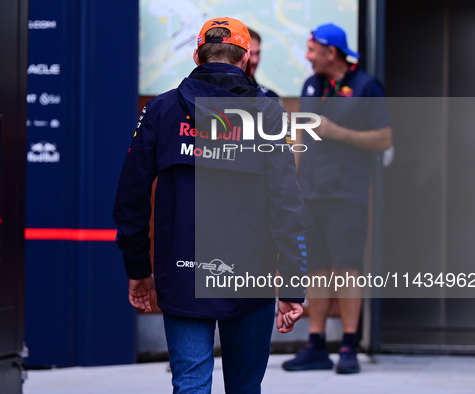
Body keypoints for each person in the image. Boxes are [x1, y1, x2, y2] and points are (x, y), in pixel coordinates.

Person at [114, 17, 308, 394]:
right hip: (250, 277)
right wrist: (292, 285)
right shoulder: (268, 112)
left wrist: (138, 267)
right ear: (247, 59)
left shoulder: (161, 110)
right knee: (245, 388)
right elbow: (286, 204)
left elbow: (130, 197)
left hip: (183, 272)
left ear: (196, 57)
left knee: (190, 385)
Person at [282, 23, 392, 374]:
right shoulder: (311, 84)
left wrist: (337, 133)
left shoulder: (365, 86)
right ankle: (315, 344)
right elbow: (301, 131)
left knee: (346, 268)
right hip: (311, 192)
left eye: (312, 49)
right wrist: (292, 181)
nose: (307, 55)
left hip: (347, 193)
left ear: (331, 52)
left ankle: (347, 345)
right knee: (313, 269)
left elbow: (383, 139)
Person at [247, 27, 282, 102]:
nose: (255, 60)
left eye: (258, 53)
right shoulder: (219, 95)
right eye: (250, 54)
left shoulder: (271, 97)